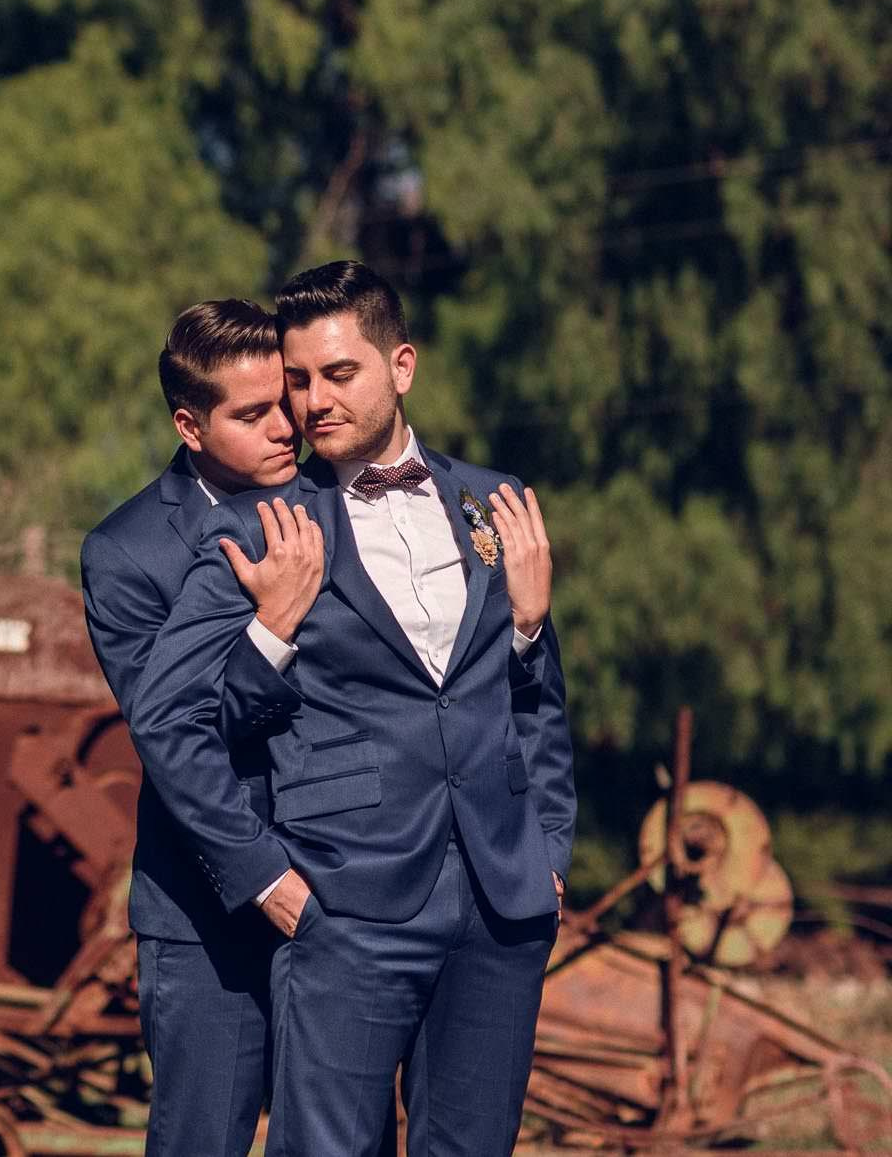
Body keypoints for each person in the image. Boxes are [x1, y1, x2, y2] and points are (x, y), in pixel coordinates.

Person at [128, 261, 575, 1156]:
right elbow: (166, 716)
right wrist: (259, 872)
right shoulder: (267, 525)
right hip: (346, 910)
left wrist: (549, 850)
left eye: (340, 373)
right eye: (298, 380)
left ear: (400, 366)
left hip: (500, 908)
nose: (314, 400)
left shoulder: (493, 503)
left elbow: (539, 704)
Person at [81, 299, 351, 1155]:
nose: (289, 425)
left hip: (352, 895)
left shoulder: (342, 500)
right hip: (207, 912)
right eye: (255, 412)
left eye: (287, 399)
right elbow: (176, 729)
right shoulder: (125, 553)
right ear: (190, 425)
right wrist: (269, 631)